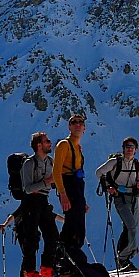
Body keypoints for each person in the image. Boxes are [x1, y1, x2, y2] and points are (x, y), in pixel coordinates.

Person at [16, 132, 61, 277]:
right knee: (31, 237)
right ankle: (29, 272)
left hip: (42, 199)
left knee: (52, 235)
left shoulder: (51, 161)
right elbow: (27, 188)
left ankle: (46, 268)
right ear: (39, 145)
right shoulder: (29, 163)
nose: (50, 143)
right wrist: (47, 181)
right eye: (47, 141)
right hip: (30, 201)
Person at [95, 137, 139, 271]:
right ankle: (123, 259)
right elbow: (99, 172)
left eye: (132, 147)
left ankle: (125, 259)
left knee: (130, 227)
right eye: (127, 146)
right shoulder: (115, 162)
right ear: (123, 148)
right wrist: (108, 187)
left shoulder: (137, 165)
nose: (129, 149)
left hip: (133, 198)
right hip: (120, 198)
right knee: (131, 227)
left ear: (136, 150)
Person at [52, 114, 90, 266]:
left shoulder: (77, 147)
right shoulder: (64, 145)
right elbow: (56, 172)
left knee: (79, 225)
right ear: (69, 127)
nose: (78, 125)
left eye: (80, 122)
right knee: (71, 225)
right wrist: (63, 194)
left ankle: (72, 259)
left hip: (77, 188)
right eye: (74, 122)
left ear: (84, 128)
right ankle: (62, 259)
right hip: (69, 187)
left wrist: (83, 201)